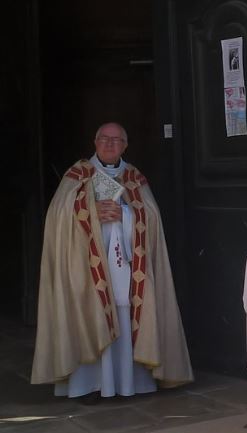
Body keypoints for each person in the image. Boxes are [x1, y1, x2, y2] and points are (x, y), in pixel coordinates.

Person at [31, 122, 193, 402]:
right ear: (94, 142)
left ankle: (129, 383)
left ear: (125, 145)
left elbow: (152, 217)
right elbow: (57, 217)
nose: (109, 144)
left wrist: (127, 214)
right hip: (87, 268)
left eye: (116, 140)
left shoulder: (134, 177)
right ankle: (90, 385)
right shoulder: (77, 174)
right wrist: (91, 213)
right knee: (91, 314)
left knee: (126, 313)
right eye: (104, 139)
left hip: (128, 266)